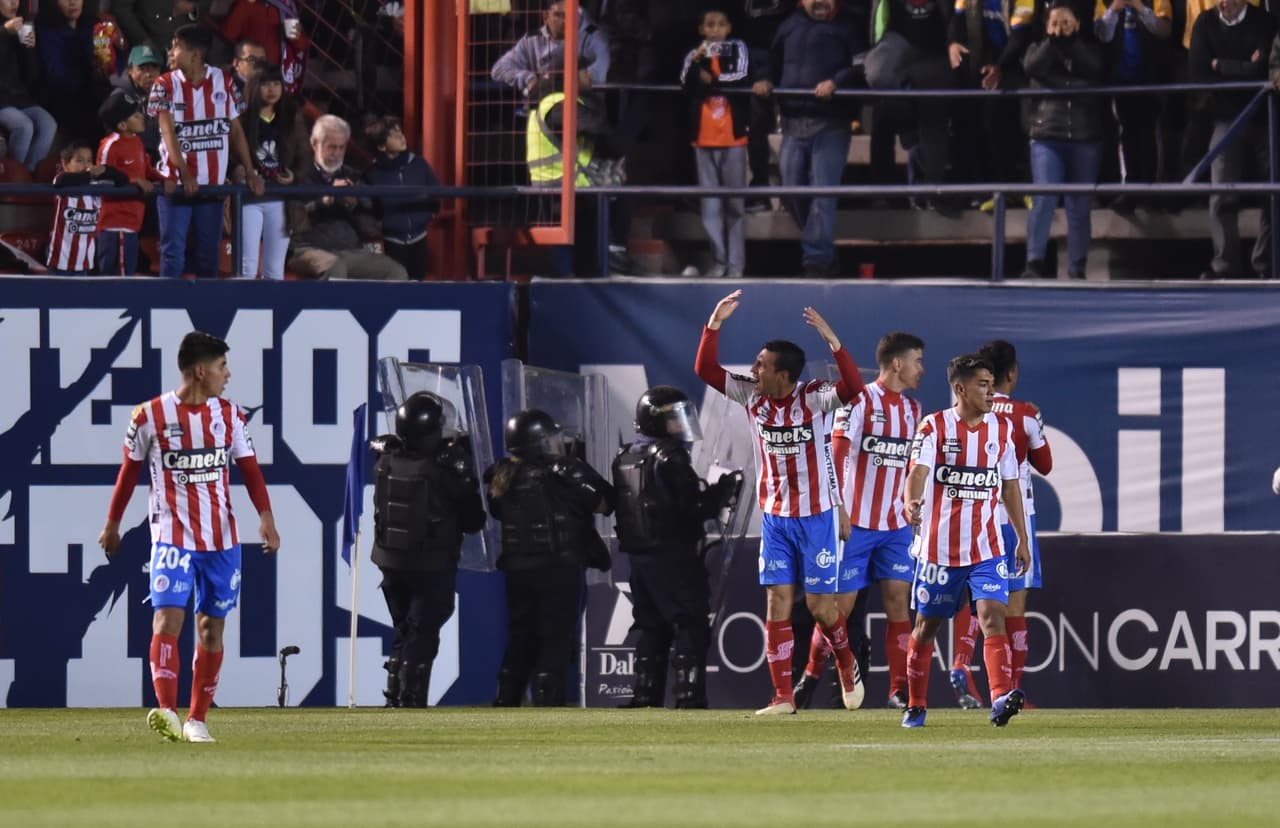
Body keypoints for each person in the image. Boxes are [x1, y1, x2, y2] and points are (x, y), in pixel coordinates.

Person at [98, 330, 280, 743]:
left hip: (221, 541)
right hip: (172, 538)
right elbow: (128, 473)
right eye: (221, 367)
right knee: (168, 617)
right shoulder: (149, 416)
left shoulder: (230, 417)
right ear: (201, 371)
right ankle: (167, 712)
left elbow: (250, 470)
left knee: (211, 630)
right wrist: (112, 523)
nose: (227, 374)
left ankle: (197, 718)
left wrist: (266, 517)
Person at [694, 289, 867, 715]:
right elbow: (705, 369)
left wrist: (833, 340)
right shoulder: (752, 395)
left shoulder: (813, 398)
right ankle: (782, 697)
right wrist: (714, 324)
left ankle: (846, 664)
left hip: (817, 517)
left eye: (762, 365)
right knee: (776, 602)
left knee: (820, 607)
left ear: (785, 375)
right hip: (775, 518)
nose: (754, 370)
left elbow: (854, 387)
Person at [793, 332, 924, 711]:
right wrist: (838, 509)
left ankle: (898, 690)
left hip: (897, 526)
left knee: (900, 603)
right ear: (897, 363)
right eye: (917, 360)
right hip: (856, 524)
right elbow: (835, 455)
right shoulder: (858, 401)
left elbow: (914, 465)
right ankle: (811, 677)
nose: (921, 369)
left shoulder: (914, 411)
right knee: (839, 610)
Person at [900, 353, 1030, 729]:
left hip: (987, 548)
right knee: (927, 627)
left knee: (993, 617)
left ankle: (1000, 697)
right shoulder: (934, 427)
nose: (991, 393)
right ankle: (916, 704)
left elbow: (1009, 486)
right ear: (960, 388)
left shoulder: (1001, 430)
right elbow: (919, 472)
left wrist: (1021, 538)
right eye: (983, 386)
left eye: (992, 384)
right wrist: (912, 500)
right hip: (939, 550)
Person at [613, 386, 744, 709]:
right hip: (675, 554)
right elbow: (693, 507)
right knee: (690, 623)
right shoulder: (669, 456)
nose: (680, 425)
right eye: (674, 419)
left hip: (641, 559)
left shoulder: (627, 456)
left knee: (652, 627)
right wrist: (722, 491)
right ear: (656, 422)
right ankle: (689, 697)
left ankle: (645, 696)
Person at [485, 409, 615, 707]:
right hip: (559, 569)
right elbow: (604, 502)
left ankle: (505, 701)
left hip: (517, 572)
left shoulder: (502, 475)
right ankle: (548, 704)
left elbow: (495, 511)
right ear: (540, 442)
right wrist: (581, 467)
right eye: (553, 438)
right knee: (555, 638)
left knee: (521, 638)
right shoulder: (564, 472)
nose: (560, 442)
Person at [370, 392, 486, 708]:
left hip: (390, 562)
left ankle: (394, 697)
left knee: (404, 630)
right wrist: (465, 476)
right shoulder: (441, 471)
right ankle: (412, 700)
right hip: (429, 564)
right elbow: (474, 519)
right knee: (422, 633)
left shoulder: (385, 462)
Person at [752, 0, 865, 277]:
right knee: (791, 192)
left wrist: (836, 82)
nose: (821, 2)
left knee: (822, 196)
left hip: (831, 123)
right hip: (792, 122)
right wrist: (765, 79)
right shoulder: (788, 26)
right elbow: (770, 60)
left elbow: (862, 66)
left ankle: (817, 261)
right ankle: (824, 250)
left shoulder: (850, 25)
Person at [148, 24, 265, 279]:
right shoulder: (163, 84)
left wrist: (251, 171)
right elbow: (168, 134)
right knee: (173, 254)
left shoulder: (224, 81)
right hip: (176, 184)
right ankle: (168, 311)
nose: (170, 52)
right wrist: (185, 173)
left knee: (208, 255)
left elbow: (235, 131)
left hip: (212, 186)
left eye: (176, 46)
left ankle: (205, 313)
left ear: (195, 54)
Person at [1189, 0, 1275, 279]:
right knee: (1221, 191)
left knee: (1274, 190)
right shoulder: (1205, 23)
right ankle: (1225, 266)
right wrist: (1240, 67)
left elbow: (1263, 69)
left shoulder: (1263, 21)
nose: (1224, 2)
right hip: (1225, 118)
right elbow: (1199, 72)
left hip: (1264, 116)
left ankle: (1268, 264)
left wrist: (1220, 65)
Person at [1021, 0, 1106, 279]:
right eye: (1055, 23)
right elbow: (1032, 68)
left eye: (1066, 23)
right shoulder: (1038, 49)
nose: (1061, 28)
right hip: (1047, 135)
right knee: (1044, 197)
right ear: (1046, 25)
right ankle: (1034, 262)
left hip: (1085, 137)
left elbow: (1096, 73)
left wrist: (1072, 46)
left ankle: (1077, 268)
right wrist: (1052, 43)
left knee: (1079, 205)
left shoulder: (1090, 48)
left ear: (1078, 24)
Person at [288, 114, 410, 280]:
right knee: (336, 267)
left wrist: (354, 205)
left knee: (396, 272)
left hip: (351, 251)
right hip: (308, 250)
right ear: (314, 144)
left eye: (342, 148)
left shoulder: (354, 177)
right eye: (332, 147)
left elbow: (370, 228)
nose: (337, 153)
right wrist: (323, 201)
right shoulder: (299, 176)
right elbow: (292, 222)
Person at [680, 6, 751, 279]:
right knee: (710, 204)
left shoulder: (738, 49)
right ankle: (720, 262)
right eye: (710, 25)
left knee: (735, 205)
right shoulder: (693, 54)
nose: (715, 30)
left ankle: (736, 267)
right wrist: (698, 62)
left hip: (733, 139)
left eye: (721, 24)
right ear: (701, 30)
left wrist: (711, 79)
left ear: (729, 28)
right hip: (704, 138)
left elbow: (741, 77)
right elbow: (685, 85)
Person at [237, 63, 309, 280]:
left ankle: (273, 313)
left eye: (276, 84)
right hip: (249, 198)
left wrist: (295, 175)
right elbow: (232, 155)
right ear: (254, 87)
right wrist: (238, 170)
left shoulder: (291, 117)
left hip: (280, 199)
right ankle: (244, 310)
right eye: (266, 84)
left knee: (274, 269)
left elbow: (305, 154)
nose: (272, 89)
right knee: (247, 267)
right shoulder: (241, 118)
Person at [363, 115, 441, 280]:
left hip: (420, 237)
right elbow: (372, 208)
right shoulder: (372, 175)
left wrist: (428, 216)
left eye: (400, 132)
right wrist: (383, 225)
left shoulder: (419, 164)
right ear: (382, 146)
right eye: (393, 135)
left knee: (418, 285)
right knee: (396, 286)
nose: (401, 137)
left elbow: (436, 191)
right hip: (392, 241)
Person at [96, 93, 164, 275]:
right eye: (135, 115)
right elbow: (102, 179)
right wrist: (135, 181)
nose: (141, 117)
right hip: (114, 224)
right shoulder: (109, 145)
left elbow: (147, 170)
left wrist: (167, 178)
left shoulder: (137, 142)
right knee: (116, 283)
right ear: (122, 125)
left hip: (133, 222)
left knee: (128, 277)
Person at [46, 142, 131, 275]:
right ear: (65, 164)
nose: (86, 165)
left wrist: (105, 169)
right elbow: (62, 182)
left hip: (84, 263)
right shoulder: (62, 180)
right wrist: (91, 175)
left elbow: (124, 180)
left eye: (89, 161)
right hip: (60, 262)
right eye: (79, 161)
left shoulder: (95, 185)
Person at [0, 0, 57, 173]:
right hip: (1, 100)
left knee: (48, 124)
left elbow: (32, 76)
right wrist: (3, 32)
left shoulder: (23, 25)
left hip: (19, 97)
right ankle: (12, 176)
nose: (13, 3)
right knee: (24, 126)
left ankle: (28, 173)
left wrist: (29, 49)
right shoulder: (5, 30)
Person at [110, 44, 164, 161]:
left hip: (161, 155)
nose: (149, 74)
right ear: (130, 70)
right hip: (133, 158)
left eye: (153, 68)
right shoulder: (120, 97)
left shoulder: (165, 90)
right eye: (142, 68)